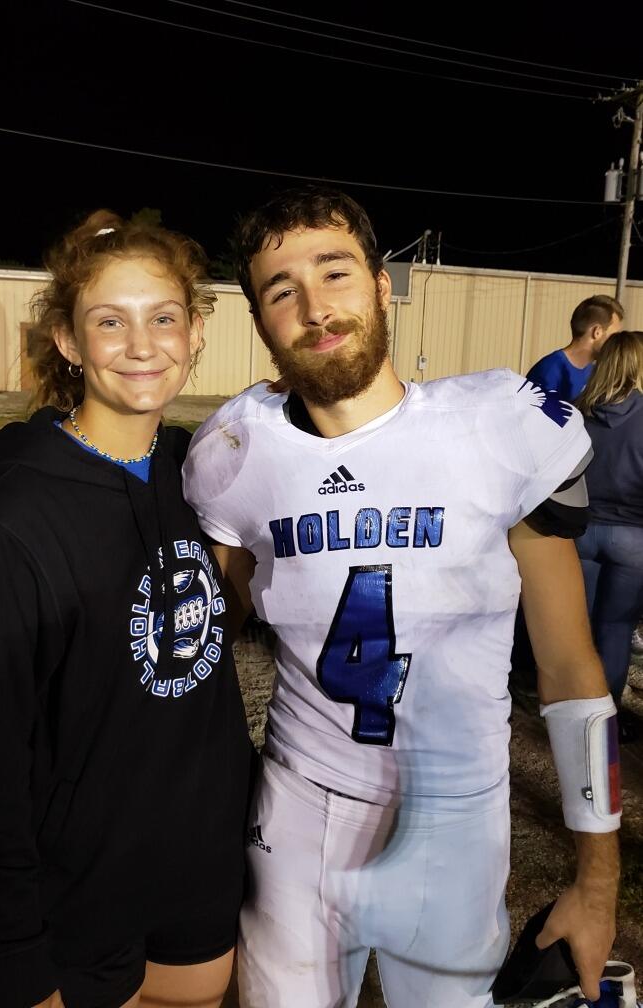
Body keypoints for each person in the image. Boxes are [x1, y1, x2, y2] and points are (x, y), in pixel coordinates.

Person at [182, 187, 621, 1008]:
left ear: (383, 285)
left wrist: (596, 883)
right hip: (300, 810)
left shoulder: (499, 425)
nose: (315, 307)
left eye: (335, 272)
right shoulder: (235, 452)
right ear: (261, 322)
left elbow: (567, 669)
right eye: (283, 291)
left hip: (458, 814)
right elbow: (198, 651)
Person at [0, 211, 252, 1008]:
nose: (142, 346)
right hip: (72, 904)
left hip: (198, 883)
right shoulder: (6, 523)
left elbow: (200, 642)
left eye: (163, 317)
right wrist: (15, 958)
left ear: (196, 330)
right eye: (111, 321)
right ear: (70, 342)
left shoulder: (198, 475)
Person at [575, 330, 643, 740]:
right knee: (615, 629)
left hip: (582, 532)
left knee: (579, 630)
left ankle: (576, 716)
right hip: (633, 538)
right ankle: (606, 722)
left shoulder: (577, 412)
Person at [526, 294, 624, 402]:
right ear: (597, 332)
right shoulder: (549, 371)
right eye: (614, 336)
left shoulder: (596, 372)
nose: (617, 343)